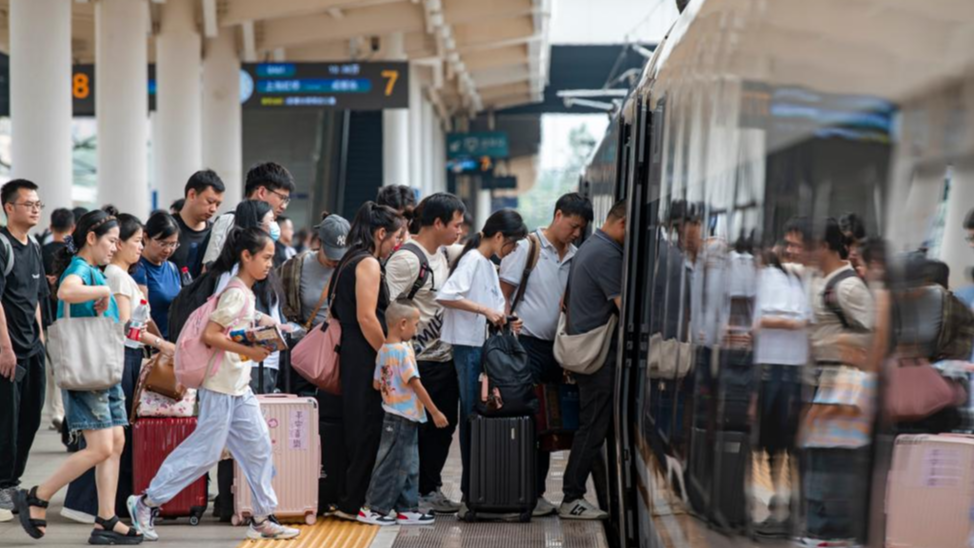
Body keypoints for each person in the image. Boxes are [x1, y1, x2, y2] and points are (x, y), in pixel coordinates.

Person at [127, 227, 299, 542]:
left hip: (237, 386)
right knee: (204, 453)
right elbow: (211, 334)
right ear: (246, 256)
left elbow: (235, 322)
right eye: (266, 258)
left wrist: (266, 323)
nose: (269, 265)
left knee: (259, 447)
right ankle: (146, 502)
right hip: (220, 385)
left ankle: (262, 516)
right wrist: (251, 351)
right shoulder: (236, 291)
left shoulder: (243, 292)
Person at [14, 210, 144, 545]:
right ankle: (38, 495)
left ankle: (105, 518)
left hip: (103, 370)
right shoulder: (81, 270)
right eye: (111, 240)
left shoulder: (96, 272)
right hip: (88, 371)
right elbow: (66, 292)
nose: (114, 248)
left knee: (115, 443)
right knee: (101, 447)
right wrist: (99, 294)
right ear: (91, 238)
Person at [61, 211, 176, 522]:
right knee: (104, 440)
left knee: (112, 439)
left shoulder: (114, 274)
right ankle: (74, 503)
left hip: (119, 358)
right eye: (134, 241)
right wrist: (162, 344)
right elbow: (126, 327)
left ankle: (102, 511)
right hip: (115, 359)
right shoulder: (111, 275)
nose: (139, 247)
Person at [499, 192, 593, 516]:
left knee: (549, 426)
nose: (576, 233)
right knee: (529, 421)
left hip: (557, 351)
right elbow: (503, 294)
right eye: (573, 225)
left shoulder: (576, 256)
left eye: (581, 228)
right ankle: (525, 491)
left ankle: (536, 493)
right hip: (524, 347)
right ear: (558, 215)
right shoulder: (528, 248)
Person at [436, 210, 528, 514]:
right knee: (472, 415)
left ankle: (475, 489)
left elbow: (490, 306)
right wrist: (485, 311)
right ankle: (470, 493)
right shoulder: (475, 259)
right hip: (469, 349)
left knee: (478, 414)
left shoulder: (486, 263)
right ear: (499, 237)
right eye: (512, 245)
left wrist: (503, 319)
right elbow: (447, 296)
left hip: (479, 346)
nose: (512, 252)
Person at [384, 193, 466, 515]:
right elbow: (386, 307)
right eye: (456, 225)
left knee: (442, 428)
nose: (460, 231)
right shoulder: (407, 259)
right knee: (418, 432)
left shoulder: (442, 253)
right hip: (417, 362)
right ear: (437, 223)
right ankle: (411, 495)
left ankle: (428, 488)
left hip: (443, 358)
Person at [801, 218, 875, 545]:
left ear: (826, 246)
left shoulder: (847, 286)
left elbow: (873, 338)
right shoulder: (824, 281)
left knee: (832, 465)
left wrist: (834, 346)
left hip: (845, 387)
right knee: (820, 461)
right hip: (827, 382)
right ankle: (819, 533)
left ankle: (830, 534)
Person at [331, 203, 405, 521]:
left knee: (356, 424)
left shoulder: (348, 258)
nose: (396, 245)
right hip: (364, 353)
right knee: (367, 427)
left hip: (352, 351)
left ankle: (349, 497)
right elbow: (367, 317)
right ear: (380, 233)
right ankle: (354, 503)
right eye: (395, 238)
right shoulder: (369, 264)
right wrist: (388, 356)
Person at [559, 200, 627, 521]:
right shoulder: (607, 254)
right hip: (596, 357)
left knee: (593, 426)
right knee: (592, 428)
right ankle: (572, 496)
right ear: (625, 223)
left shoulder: (593, 247)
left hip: (590, 353)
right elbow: (625, 306)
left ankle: (576, 494)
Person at [357, 300, 449, 526]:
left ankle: (407, 508)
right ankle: (373, 508)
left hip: (393, 413)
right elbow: (416, 384)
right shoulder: (402, 352)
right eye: (416, 325)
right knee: (394, 464)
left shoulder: (384, 351)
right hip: (404, 415)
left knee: (408, 463)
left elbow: (377, 384)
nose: (417, 330)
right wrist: (435, 411)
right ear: (403, 324)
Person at [751, 246, 811, 538]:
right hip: (776, 369)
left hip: (793, 371)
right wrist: (792, 322)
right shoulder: (774, 277)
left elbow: (801, 321)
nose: (789, 251)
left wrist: (784, 321)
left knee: (790, 442)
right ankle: (779, 508)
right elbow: (760, 322)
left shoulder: (806, 278)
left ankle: (788, 512)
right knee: (773, 441)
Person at [0, 181, 49, 517]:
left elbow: (33, 299)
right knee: (7, 419)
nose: (35, 209)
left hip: (32, 349)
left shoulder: (33, 245)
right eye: (28, 203)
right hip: (8, 350)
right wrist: (5, 347)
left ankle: (13, 479)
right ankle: (4, 484)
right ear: (8, 207)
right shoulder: (2, 245)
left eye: (38, 203)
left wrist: (41, 340)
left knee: (31, 416)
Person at [203, 162, 296, 267]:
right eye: (282, 198)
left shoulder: (269, 226)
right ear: (261, 192)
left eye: (287, 200)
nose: (284, 206)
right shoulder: (229, 221)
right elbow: (209, 270)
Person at [279, 214, 350, 327]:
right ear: (319, 242)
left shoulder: (351, 269)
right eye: (331, 256)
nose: (335, 262)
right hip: (309, 338)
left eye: (340, 257)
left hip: (339, 339)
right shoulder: (295, 267)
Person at [39, 208, 73, 433]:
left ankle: (55, 411)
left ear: (50, 227)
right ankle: (58, 412)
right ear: (72, 228)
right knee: (62, 365)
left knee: (53, 367)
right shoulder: (71, 254)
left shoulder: (39, 250)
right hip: (65, 317)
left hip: (44, 315)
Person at [133, 213, 182, 342]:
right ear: (146, 237)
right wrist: (162, 345)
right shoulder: (138, 269)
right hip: (152, 345)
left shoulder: (172, 268)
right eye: (162, 243)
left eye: (173, 244)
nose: (168, 250)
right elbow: (143, 315)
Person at [170, 170, 225, 279]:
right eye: (209, 201)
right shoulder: (167, 228)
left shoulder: (217, 233)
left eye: (217, 204)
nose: (213, 209)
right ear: (192, 194)